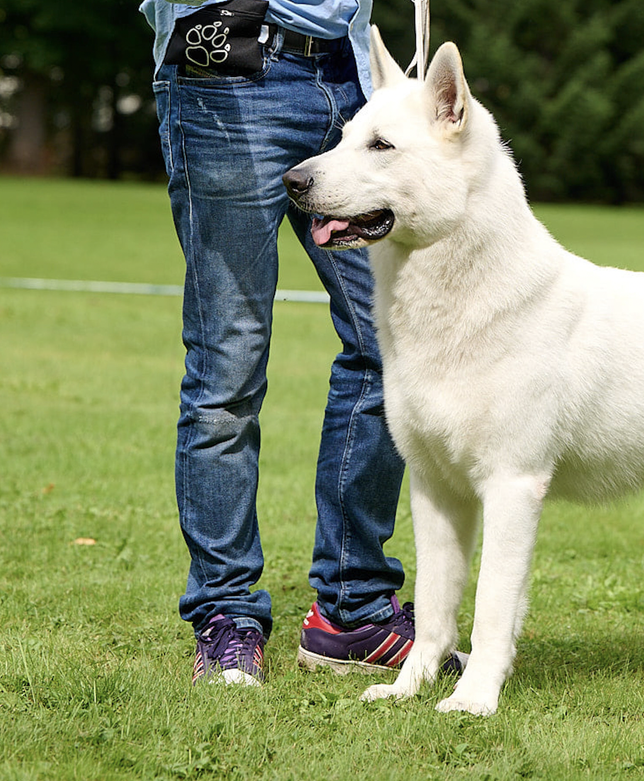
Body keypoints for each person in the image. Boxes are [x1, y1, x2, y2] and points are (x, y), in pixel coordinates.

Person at [140, 0, 463, 685]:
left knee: (390, 345)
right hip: (224, 73)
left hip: (348, 76)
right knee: (229, 367)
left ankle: (352, 610)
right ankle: (226, 612)